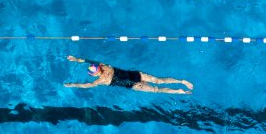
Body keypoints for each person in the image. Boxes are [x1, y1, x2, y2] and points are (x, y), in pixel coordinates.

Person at [64, 55, 193, 94]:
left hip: (135, 79)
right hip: (134, 81)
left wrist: (75, 60)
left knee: (157, 85)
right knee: (157, 86)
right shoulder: (101, 74)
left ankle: (181, 85)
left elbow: (88, 62)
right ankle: (180, 87)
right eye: (97, 70)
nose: (99, 69)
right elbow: (86, 85)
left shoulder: (102, 72)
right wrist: (72, 84)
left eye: (97, 68)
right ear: (96, 72)